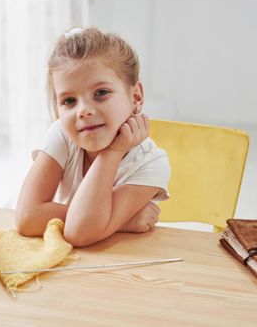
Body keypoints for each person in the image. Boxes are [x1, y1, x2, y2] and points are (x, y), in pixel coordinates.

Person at [15, 27, 170, 247]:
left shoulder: (151, 164)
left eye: (101, 93)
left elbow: (79, 232)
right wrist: (119, 222)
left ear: (135, 96)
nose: (84, 110)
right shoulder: (62, 134)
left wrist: (112, 152)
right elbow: (26, 218)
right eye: (69, 101)